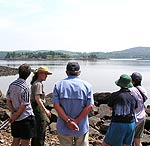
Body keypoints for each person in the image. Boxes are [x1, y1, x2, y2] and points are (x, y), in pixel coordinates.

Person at [52, 62, 94, 146]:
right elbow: (89, 106)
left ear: (66, 72)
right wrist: (75, 122)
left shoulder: (58, 85)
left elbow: (56, 106)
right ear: (79, 72)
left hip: (63, 126)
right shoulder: (87, 86)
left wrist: (68, 121)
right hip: (81, 126)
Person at [102, 74, 138, 146]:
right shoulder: (133, 96)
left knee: (106, 144)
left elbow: (110, 107)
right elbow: (135, 108)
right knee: (126, 144)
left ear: (120, 84)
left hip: (118, 124)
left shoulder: (115, 95)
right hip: (131, 124)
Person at [6, 63, 36, 146]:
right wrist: (16, 115)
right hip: (26, 118)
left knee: (15, 140)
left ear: (19, 72)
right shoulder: (25, 87)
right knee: (25, 142)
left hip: (15, 117)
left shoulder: (12, 85)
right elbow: (24, 105)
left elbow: (8, 101)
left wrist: (13, 113)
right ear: (29, 74)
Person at [30, 66, 52, 146]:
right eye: (45, 74)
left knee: (36, 130)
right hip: (37, 108)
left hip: (35, 108)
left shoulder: (35, 83)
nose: (46, 76)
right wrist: (45, 110)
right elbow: (37, 98)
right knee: (41, 130)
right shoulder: (38, 84)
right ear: (40, 74)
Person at [130, 72, 148, 146]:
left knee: (128, 141)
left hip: (134, 119)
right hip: (142, 116)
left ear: (133, 81)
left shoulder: (132, 90)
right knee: (137, 140)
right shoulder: (143, 90)